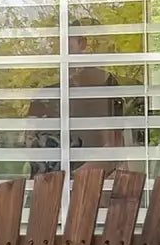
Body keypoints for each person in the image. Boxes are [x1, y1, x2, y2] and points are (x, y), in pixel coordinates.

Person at [27, 28, 127, 178]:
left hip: (86, 190)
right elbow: (31, 149)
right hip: (46, 190)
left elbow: (113, 148)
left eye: (69, 40)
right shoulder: (44, 97)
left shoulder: (103, 88)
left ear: (82, 43)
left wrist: (73, 182)